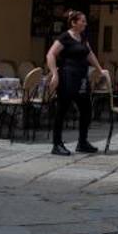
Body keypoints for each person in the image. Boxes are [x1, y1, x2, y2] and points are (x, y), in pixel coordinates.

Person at [45, 10, 97, 156]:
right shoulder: (65, 37)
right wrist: (55, 74)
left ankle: (82, 142)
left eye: (85, 21)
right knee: (62, 110)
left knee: (86, 109)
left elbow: (89, 54)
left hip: (82, 77)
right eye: (83, 21)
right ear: (74, 23)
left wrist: (100, 69)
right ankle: (57, 144)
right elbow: (50, 54)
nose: (85, 23)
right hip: (68, 76)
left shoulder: (83, 37)